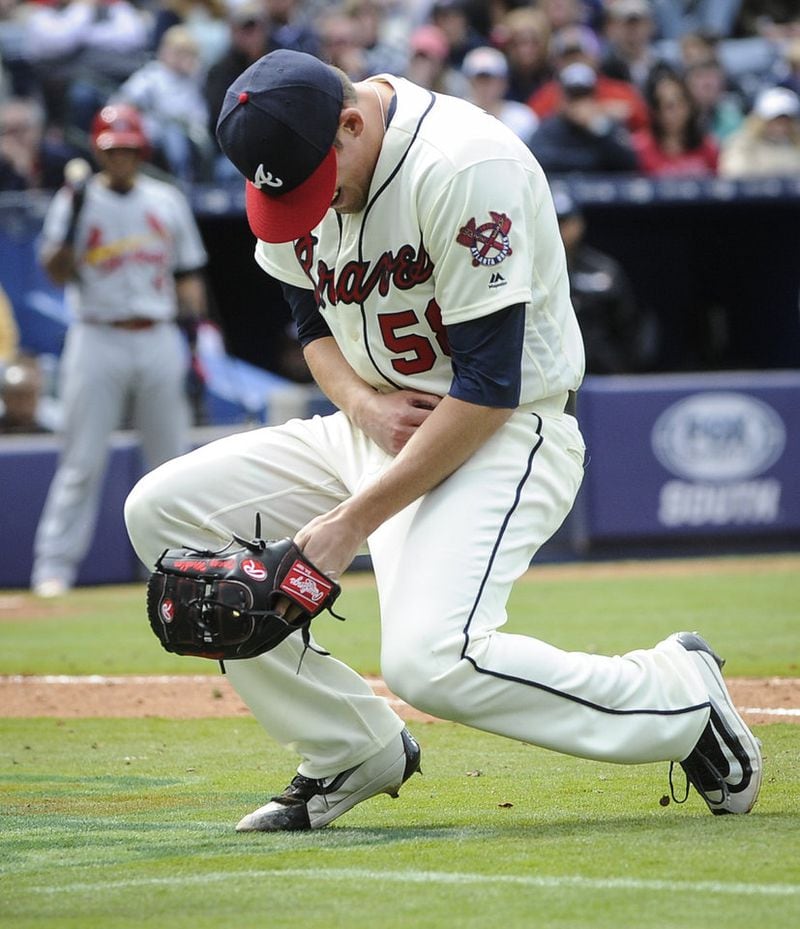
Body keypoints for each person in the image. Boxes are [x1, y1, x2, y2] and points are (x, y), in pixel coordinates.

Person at [124, 49, 762, 832]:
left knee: (433, 661)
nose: (307, 210)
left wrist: (349, 522)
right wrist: (362, 406)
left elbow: (489, 385)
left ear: (352, 123)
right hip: (376, 423)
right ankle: (350, 747)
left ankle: (679, 697)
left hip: (501, 431)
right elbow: (308, 323)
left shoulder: (464, 165)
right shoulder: (294, 162)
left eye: (315, 188)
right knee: (160, 513)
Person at [31, 103, 208, 598]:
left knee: (171, 462)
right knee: (81, 459)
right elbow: (55, 270)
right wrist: (75, 218)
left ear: (140, 150)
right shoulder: (77, 198)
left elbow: (188, 274)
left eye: (129, 149)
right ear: (99, 152)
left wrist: (193, 343)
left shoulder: (166, 199)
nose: (121, 159)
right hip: (97, 333)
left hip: (156, 331)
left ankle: (182, 570)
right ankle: (54, 568)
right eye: (113, 150)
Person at [553, 187, 655, 373]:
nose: (561, 229)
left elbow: (629, 324)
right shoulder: (532, 269)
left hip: (602, 372)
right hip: (553, 373)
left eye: (565, 222)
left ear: (579, 223)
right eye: (555, 222)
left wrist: (624, 368)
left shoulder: (603, 269)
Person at [112, 25, 213, 183]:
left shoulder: (192, 80)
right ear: (165, 51)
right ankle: (180, 181)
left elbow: (199, 114)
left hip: (185, 131)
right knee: (173, 136)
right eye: (178, 52)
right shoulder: (152, 74)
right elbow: (122, 100)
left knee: (191, 139)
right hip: (153, 129)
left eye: (188, 53)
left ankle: (189, 182)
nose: (183, 58)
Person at [528, 23, 651, 133]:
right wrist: (566, 114)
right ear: (556, 62)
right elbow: (531, 125)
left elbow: (645, 123)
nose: (575, 62)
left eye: (580, 55)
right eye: (567, 57)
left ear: (595, 58)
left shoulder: (619, 91)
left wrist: (603, 111)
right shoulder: (546, 96)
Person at [529, 61, 639, 174]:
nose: (579, 104)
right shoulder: (550, 127)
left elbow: (629, 163)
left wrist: (599, 127)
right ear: (562, 99)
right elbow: (539, 159)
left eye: (584, 96)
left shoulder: (606, 126)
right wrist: (590, 160)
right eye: (574, 97)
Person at [633, 69, 719, 176]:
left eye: (681, 103)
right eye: (669, 106)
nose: (677, 112)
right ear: (656, 112)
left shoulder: (708, 148)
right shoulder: (638, 149)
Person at [461, 45, 539, 147]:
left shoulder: (523, 117)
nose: (485, 87)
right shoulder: (458, 115)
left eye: (490, 80)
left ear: (504, 82)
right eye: (480, 80)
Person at [719, 84, 800, 177]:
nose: (780, 126)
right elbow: (735, 172)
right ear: (760, 120)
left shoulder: (796, 144)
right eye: (774, 120)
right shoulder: (741, 144)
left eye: (786, 120)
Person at [0, 354, 50, 434]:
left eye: (29, 396)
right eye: (17, 396)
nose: (22, 403)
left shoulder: (49, 438)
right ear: (5, 397)